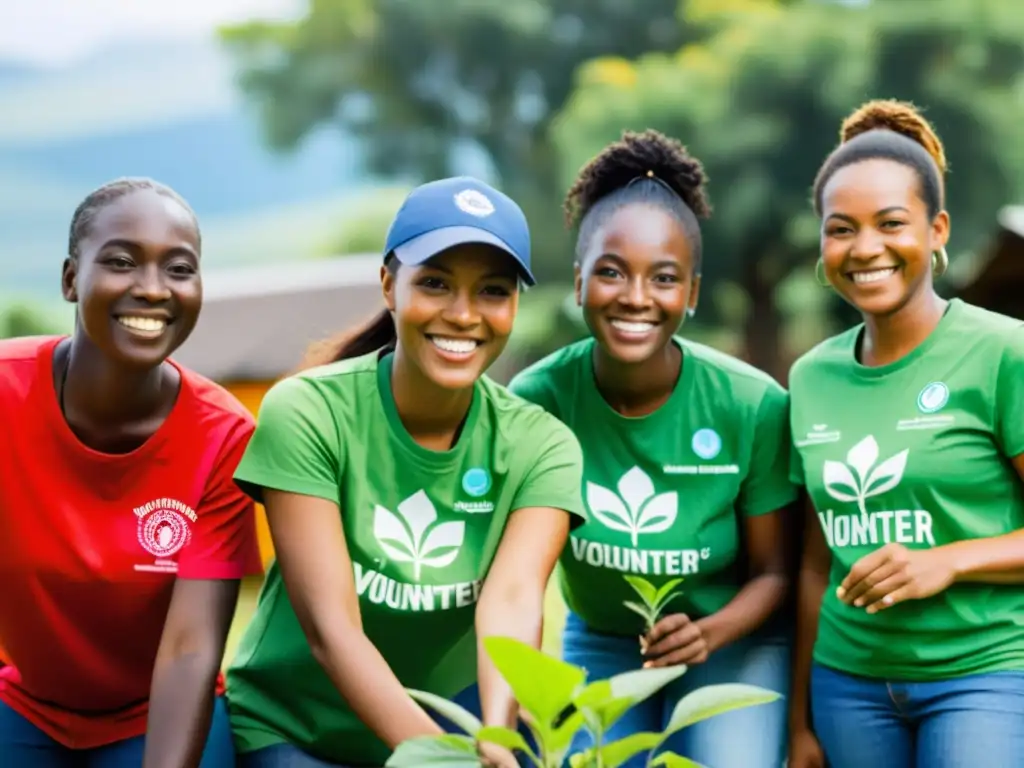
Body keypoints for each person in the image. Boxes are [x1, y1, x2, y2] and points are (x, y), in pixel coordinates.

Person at [225, 176, 586, 768]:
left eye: (492, 291)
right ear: (390, 285)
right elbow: (331, 631)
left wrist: (494, 737)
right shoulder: (308, 412)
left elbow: (515, 599)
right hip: (298, 727)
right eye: (436, 284)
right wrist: (439, 760)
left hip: (448, 712)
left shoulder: (541, 445)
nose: (464, 314)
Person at [508, 130, 796, 768]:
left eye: (663, 278)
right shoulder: (540, 397)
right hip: (605, 638)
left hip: (732, 636)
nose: (636, 297)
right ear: (579, 281)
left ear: (691, 293)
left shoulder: (750, 404)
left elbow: (776, 572)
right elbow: (517, 573)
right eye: (611, 273)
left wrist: (709, 632)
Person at [787, 99, 1024, 768]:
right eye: (841, 229)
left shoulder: (1005, 354)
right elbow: (814, 563)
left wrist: (948, 560)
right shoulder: (809, 378)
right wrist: (800, 721)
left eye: (891, 223)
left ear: (937, 228)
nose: (865, 249)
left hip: (984, 674)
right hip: (848, 685)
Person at [0, 177, 263, 767]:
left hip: (154, 712)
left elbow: (190, 650)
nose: (151, 289)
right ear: (71, 279)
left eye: (179, 268)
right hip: (24, 705)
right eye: (121, 262)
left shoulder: (223, 438)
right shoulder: (4, 393)